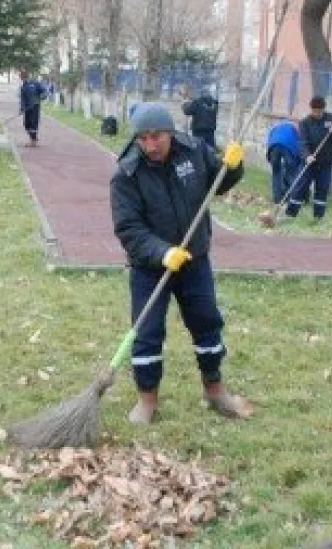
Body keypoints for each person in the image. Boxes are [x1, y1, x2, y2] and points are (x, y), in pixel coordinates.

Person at [109, 103, 253, 425]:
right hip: (150, 267)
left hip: (194, 260)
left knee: (207, 323)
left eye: (156, 136)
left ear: (170, 133)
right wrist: (162, 253)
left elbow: (219, 182)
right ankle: (147, 400)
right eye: (143, 138)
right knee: (147, 332)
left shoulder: (194, 151)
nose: (150, 145)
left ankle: (214, 390)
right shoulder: (126, 175)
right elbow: (128, 229)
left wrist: (232, 168)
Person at [284, 96, 332, 221]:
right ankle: (290, 214)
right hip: (309, 162)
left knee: (322, 188)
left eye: (319, 111)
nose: (317, 114)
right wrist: (307, 155)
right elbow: (303, 142)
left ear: (323, 109)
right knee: (300, 187)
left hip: (326, 161)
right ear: (311, 109)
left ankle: (318, 217)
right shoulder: (304, 123)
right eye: (314, 111)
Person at [265, 118, 301, 204]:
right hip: (288, 148)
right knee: (291, 174)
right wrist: (297, 161)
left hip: (273, 147)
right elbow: (298, 146)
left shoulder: (275, 128)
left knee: (276, 173)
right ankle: (293, 199)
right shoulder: (294, 129)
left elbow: (269, 141)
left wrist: (270, 158)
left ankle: (277, 199)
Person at [19, 71, 46, 147]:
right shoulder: (23, 86)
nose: (22, 80)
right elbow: (22, 98)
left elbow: (44, 91)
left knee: (33, 123)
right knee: (26, 124)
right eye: (21, 78)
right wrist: (21, 108)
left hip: (35, 107)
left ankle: (33, 141)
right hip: (27, 108)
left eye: (23, 78)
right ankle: (33, 138)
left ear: (27, 77)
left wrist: (43, 96)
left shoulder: (35, 83)